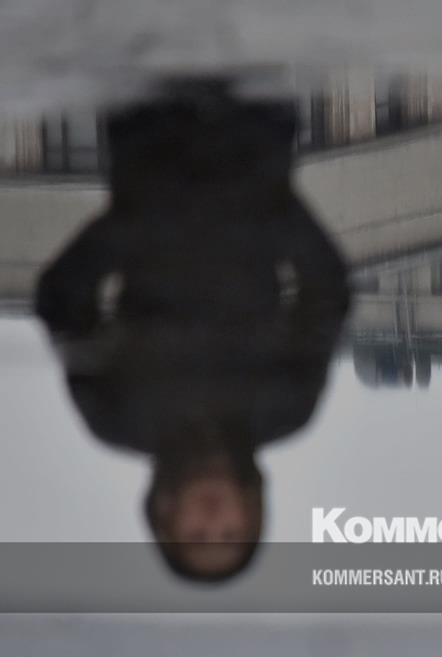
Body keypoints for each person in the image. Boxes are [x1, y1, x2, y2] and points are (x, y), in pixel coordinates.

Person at [35, 81, 350, 583]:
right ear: (252, 514)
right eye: (229, 533)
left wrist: (131, 225)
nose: (212, 518)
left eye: (199, 535)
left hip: (148, 143)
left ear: (166, 518)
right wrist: (272, 212)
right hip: (255, 141)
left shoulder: (115, 419)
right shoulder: (286, 410)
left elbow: (63, 306)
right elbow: (327, 296)